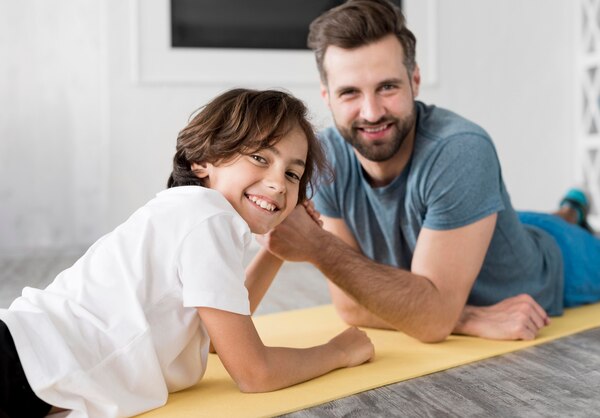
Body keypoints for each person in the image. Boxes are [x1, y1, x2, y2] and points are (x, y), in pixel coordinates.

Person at [260, 0, 600, 343]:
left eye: (387, 87)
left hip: (551, 262)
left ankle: (577, 220)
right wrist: (467, 317)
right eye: (350, 93)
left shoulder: (460, 150)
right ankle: (569, 210)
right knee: (532, 219)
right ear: (327, 97)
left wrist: (317, 246)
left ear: (415, 81)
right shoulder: (325, 158)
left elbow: (429, 319)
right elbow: (351, 305)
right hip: (479, 229)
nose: (371, 113)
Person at [0, 89, 374, 418]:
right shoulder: (207, 216)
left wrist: (275, 252)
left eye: (293, 174)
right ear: (202, 161)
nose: (278, 183)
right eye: (260, 158)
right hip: (18, 362)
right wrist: (338, 351)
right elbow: (254, 372)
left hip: (24, 366)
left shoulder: (190, 214)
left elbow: (215, 341)